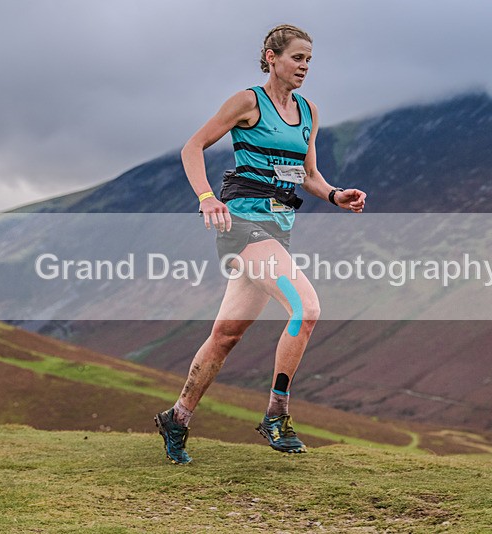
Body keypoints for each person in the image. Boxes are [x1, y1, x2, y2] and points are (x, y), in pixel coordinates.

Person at [155, 24, 366, 464]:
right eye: (297, 57)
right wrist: (207, 197)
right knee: (306, 308)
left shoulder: (308, 111)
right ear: (271, 57)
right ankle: (276, 415)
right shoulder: (248, 101)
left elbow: (308, 175)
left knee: (226, 335)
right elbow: (192, 147)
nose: (305, 66)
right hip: (242, 227)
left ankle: (177, 417)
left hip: (278, 231)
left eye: (309, 59)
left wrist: (335, 194)